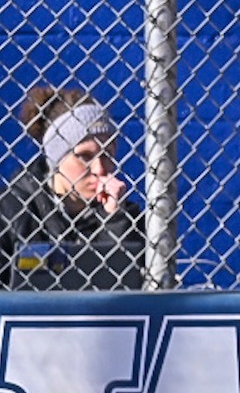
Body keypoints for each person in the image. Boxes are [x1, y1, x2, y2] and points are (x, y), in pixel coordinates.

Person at [0, 86, 141, 290]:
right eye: (84, 156)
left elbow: (117, 291)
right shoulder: (11, 212)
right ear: (56, 160)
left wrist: (113, 220)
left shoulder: (124, 216)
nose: (99, 168)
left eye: (107, 154)